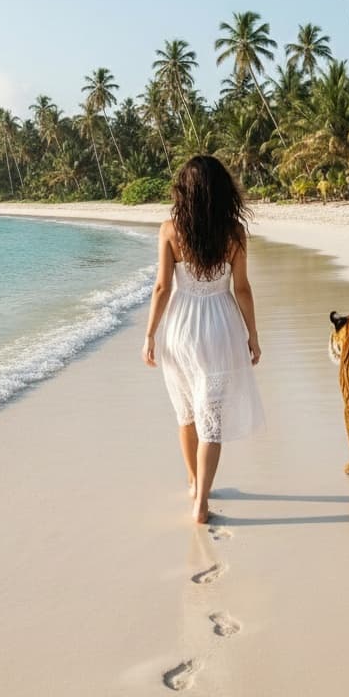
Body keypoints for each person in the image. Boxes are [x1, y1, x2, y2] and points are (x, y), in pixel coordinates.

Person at [142, 155, 264, 523]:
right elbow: (241, 289)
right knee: (212, 416)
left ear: (184, 190)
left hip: (180, 327)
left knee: (187, 414)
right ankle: (202, 502)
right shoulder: (235, 233)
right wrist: (252, 334)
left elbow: (162, 287)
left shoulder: (170, 229)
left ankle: (195, 483)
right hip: (220, 325)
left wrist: (149, 334)